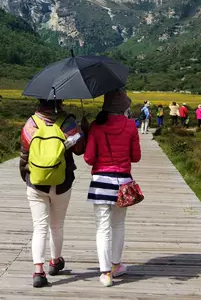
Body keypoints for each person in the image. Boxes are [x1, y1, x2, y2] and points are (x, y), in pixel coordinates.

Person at [20, 99, 87, 288]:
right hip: (62, 182)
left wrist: (27, 178)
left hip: (35, 182)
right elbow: (80, 150)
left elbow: (24, 153)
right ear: (60, 101)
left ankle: (38, 271)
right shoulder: (68, 122)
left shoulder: (31, 123)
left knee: (39, 227)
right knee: (56, 226)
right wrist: (84, 130)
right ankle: (55, 261)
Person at [84, 89, 141, 287]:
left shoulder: (96, 126)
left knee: (102, 228)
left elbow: (88, 158)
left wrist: (88, 133)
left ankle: (105, 273)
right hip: (123, 183)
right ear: (124, 106)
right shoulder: (131, 125)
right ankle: (116, 265)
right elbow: (136, 157)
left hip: (100, 183)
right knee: (118, 225)